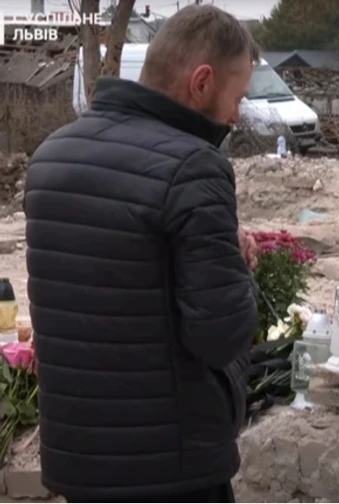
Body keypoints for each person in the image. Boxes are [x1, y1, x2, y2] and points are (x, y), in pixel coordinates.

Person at [24, 6, 259, 502]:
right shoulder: (195, 166)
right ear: (201, 82)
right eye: (237, 97)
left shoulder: (51, 157)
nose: (237, 115)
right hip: (172, 470)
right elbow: (220, 335)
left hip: (80, 463)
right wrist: (238, 266)